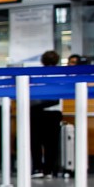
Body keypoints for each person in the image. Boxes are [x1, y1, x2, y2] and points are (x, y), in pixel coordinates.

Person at [30, 49, 62, 178]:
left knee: (36, 141)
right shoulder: (61, 74)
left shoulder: (37, 74)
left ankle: (37, 168)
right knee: (52, 143)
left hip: (37, 111)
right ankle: (49, 169)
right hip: (54, 112)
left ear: (42, 61)